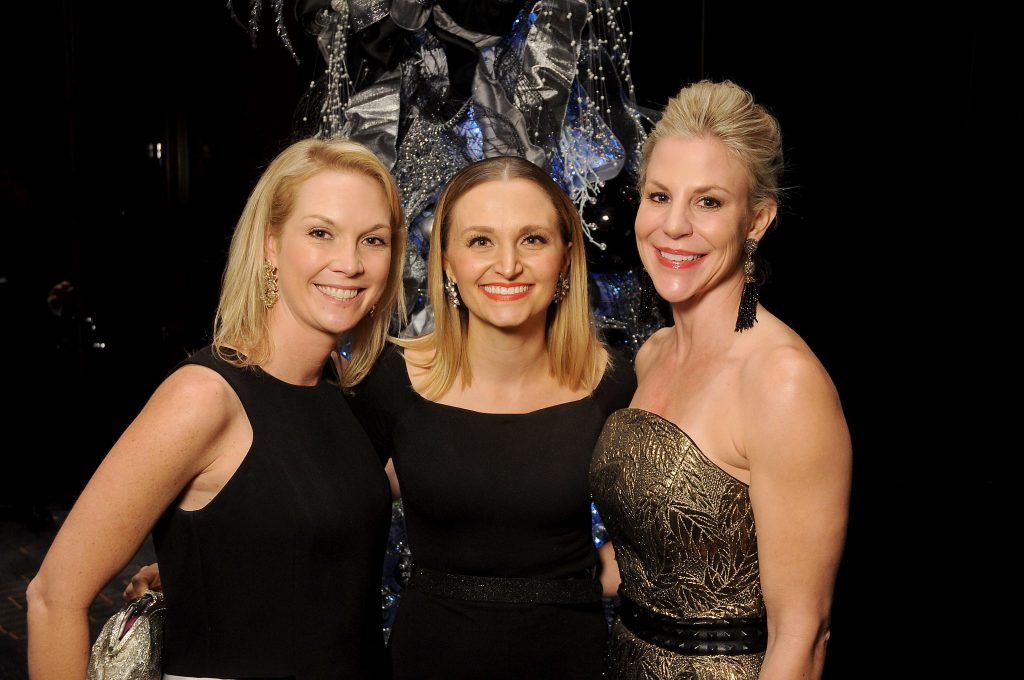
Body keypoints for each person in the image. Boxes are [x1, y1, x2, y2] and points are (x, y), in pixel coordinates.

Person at [26, 137, 407, 680]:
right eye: (321, 233)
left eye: (372, 239)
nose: (348, 262)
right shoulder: (204, 396)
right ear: (271, 246)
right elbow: (52, 597)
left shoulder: (348, 394)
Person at [590, 79, 852, 679]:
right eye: (659, 196)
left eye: (708, 202)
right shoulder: (654, 352)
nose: (673, 226)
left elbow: (803, 637)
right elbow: (650, 554)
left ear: (757, 219)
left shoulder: (781, 382)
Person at [349, 155, 636, 680]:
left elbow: (672, 521)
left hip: (572, 660)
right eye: (481, 241)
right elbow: (318, 508)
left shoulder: (615, 385)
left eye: (533, 239)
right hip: (428, 661)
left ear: (566, 257)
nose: (507, 265)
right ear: (447, 262)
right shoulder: (389, 381)